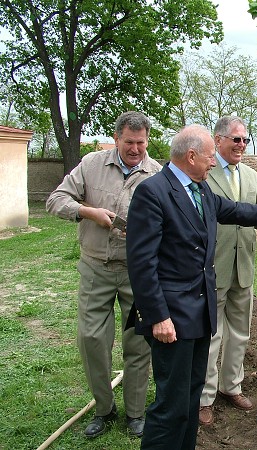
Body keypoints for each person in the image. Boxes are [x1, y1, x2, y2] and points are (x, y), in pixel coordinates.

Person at [125, 124, 257, 450]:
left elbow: (236, 211)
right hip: (172, 319)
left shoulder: (202, 189)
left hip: (200, 313)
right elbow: (141, 263)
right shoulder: (153, 192)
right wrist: (157, 316)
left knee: (191, 395)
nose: (213, 163)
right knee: (171, 403)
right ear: (190, 156)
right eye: (209, 157)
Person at [46, 111, 161, 438]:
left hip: (137, 273)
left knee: (139, 342)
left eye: (141, 142)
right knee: (91, 339)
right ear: (116, 139)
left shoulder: (157, 174)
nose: (135, 149)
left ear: (147, 140)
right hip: (96, 267)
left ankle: (136, 413)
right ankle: (104, 408)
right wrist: (87, 212)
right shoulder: (92, 165)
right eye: (129, 142)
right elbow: (56, 201)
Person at [199, 116, 257, 425]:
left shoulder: (250, 176)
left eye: (245, 140)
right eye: (236, 139)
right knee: (211, 334)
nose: (241, 145)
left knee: (240, 332)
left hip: (243, 266)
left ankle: (230, 387)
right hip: (212, 266)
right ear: (218, 140)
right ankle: (204, 398)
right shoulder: (204, 175)